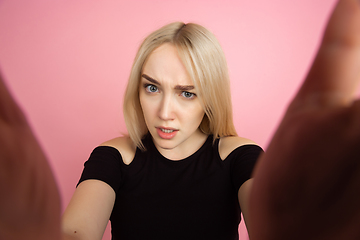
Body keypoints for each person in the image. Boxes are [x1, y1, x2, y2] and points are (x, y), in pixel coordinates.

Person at [0, 0, 359, 240]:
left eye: (187, 93)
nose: (164, 112)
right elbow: (78, 231)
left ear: (210, 98)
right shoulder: (114, 157)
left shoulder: (239, 156)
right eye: (152, 88)